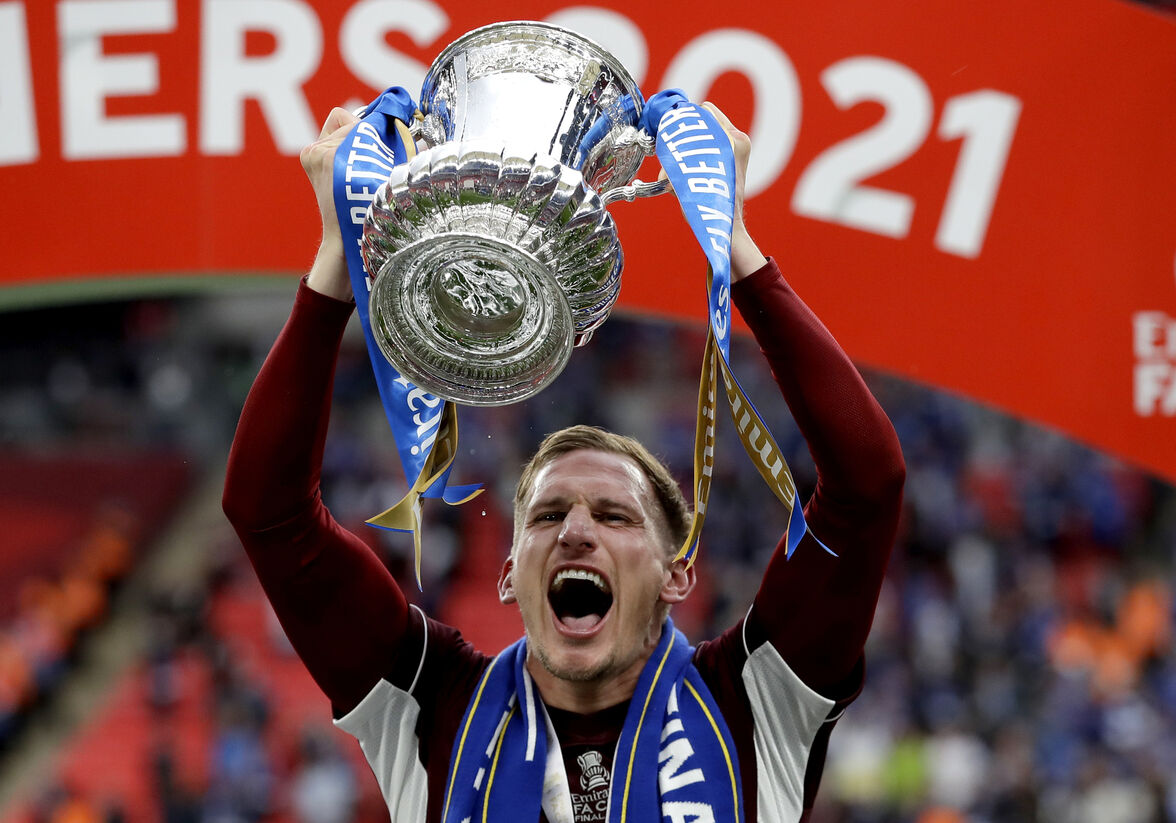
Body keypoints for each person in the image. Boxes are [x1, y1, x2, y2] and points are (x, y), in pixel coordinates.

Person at [222, 101, 905, 823]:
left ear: (678, 573)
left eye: (614, 515)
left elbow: (867, 486)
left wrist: (732, 243)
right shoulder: (429, 704)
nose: (577, 529)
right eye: (547, 514)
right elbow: (268, 512)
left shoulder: (755, 698)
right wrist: (337, 254)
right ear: (510, 571)